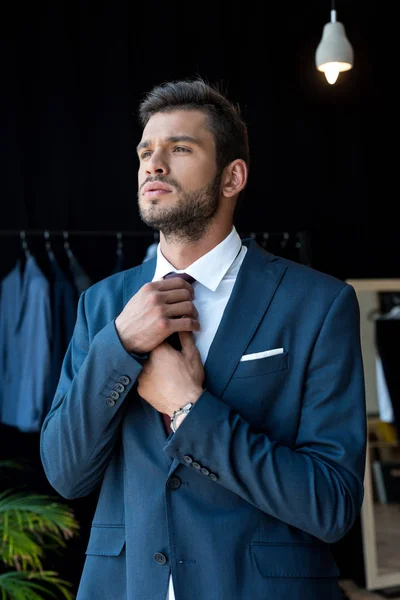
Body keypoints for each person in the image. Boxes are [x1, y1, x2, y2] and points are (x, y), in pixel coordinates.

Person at [40, 78, 367, 600]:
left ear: (232, 176)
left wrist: (190, 409)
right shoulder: (102, 306)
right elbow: (66, 474)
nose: (154, 163)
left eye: (180, 148)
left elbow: (330, 505)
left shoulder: (318, 304)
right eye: (146, 151)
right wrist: (120, 345)